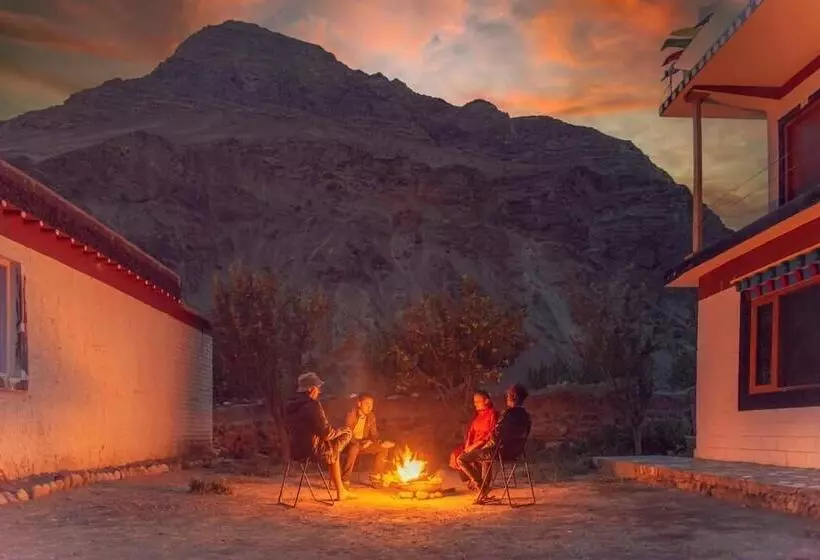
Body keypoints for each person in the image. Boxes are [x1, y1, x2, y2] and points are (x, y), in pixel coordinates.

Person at [284, 371, 355, 501]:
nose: (319, 392)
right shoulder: (313, 406)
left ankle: (340, 489)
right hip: (312, 450)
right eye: (318, 388)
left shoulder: (289, 407)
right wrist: (344, 429)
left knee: (333, 449)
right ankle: (341, 490)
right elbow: (327, 434)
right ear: (311, 389)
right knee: (343, 437)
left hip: (294, 450)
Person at [341, 392, 395, 487]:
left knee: (383, 449)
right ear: (359, 403)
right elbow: (347, 433)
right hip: (347, 444)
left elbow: (374, 435)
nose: (369, 407)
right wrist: (360, 443)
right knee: (354, 448)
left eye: (371, 405)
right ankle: (345, 480)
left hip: (362, 444)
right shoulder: (351, 414)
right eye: (367, 404)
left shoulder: (371, 416)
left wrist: (381, 442)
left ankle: (375, 477)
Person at [449, 389, 499, 490]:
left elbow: (491, 434)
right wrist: (468, 445)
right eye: (474, 402)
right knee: (456, 454)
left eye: (477, 402)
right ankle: (472, 479)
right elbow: (471, 432)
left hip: (484, 445)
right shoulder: (478, 416)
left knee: (464, 458)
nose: (475, 404)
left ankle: (480, 484)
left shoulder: (492, 414)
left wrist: (474, 446)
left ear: (487, 401)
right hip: (473, 444)